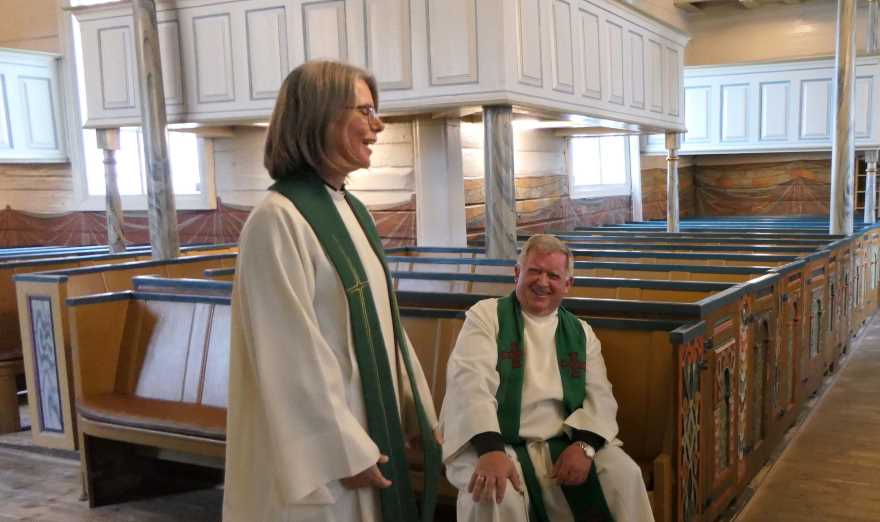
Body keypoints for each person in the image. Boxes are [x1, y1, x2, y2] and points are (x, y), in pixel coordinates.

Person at [223, 61, 441, 522]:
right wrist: (341, 447)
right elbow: (287, 352)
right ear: (319, 116)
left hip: (370, 431)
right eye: (365, 111)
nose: (377, 126)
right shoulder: (277, 220)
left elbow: (384, 325)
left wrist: (413, 408)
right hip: (327, 459)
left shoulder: (353, 210)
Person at [439, 234, 654, 522]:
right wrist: (490, 450)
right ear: (517, 273)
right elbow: (470, 383)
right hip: (494, 441)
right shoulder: (487, 317)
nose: (542, 282)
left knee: (624, 475)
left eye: (553, 275)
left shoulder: (581, 333)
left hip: (562, 443)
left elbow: (601, 397)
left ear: (567, 284)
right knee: (495, 492)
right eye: (534, 271)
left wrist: (585, 446)